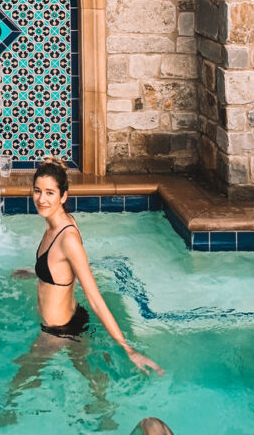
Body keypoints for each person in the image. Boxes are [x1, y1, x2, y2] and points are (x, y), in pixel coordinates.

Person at [18, 157, 164, 375]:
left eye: (50, 193)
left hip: (57, 332)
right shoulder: (59, 222)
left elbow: (95, 298)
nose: (41, 199)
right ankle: (103, 403)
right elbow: (63, 269)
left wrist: (128, 349)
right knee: (89, 374)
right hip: (72, 319)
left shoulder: (67, 239)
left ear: (63, 195)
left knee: (18, 382)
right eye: (37, 191)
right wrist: (37, 272)